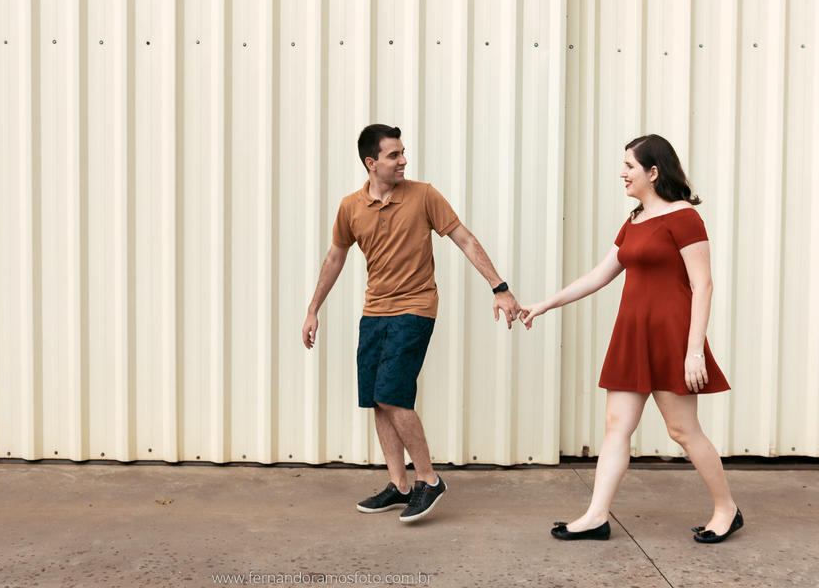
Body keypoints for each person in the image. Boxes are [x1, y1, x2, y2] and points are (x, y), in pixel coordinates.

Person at [520, 134, 742, 544]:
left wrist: (695, 351)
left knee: (682, 431)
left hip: (672, 337)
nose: (622, 173)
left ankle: (727, 508)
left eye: (629, 166)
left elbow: (704, 285)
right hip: (632, 335)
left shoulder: (684, 218)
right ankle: (595, 516)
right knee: (615, 426)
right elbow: (599, 275)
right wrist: (545, 304)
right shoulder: (635, 219)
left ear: (653, 172)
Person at [302, 124, 525, 523]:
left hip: (416, 307)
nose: (403, 160)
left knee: (392, 393)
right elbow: (334, 258)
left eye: (403, 153)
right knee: (376, 396)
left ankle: (429, 480)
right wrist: (313, 308)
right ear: (371, 163)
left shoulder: (424, 195)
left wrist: (500, 287)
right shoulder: (350, 206)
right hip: (374, 311)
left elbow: (465, 239)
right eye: (394, 155)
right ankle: (399, 485)